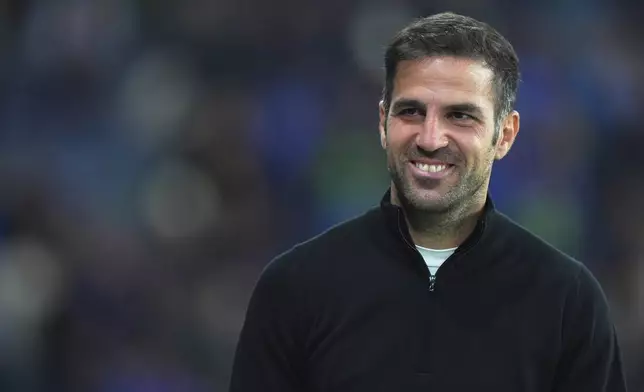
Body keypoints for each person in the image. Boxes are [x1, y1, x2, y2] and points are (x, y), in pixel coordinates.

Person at [229, 12, 627, 392]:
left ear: (505, 135)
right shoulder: (296, 288)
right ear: (383, 123)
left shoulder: (567, 301)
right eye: (411, 111)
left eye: (461, 116)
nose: (431, 138)